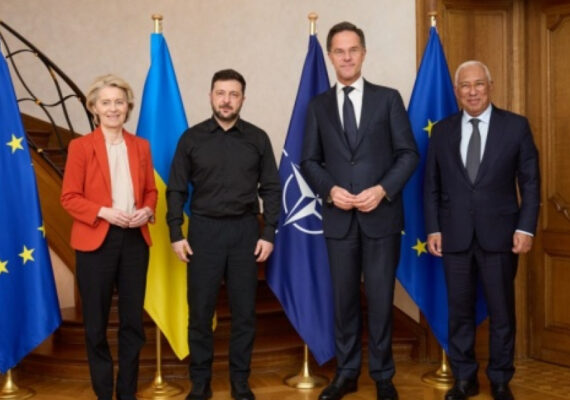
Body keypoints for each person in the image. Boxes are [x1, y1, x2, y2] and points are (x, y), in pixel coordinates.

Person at [301, 22, 419, 400]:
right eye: (339, 51)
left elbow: (408, 154)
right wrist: (330, 190)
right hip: (339, 220)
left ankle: (383, 375)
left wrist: (382, 190)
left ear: (364, 54)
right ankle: (347, 373)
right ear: (330, 57)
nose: (347, 57)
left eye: (353, 50)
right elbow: (309, 160)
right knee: (345, 301)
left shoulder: (388, 99)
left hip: (381, 218)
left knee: (382, 301)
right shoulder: (318, 106)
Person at [424, 60, 540, 400]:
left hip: (501, 236)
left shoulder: (515, 126)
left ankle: (500, 379)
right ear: (456, 91)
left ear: (490, 86)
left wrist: (526, 228)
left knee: (502, 312)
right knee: (459, 312)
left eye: (478, 84)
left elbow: (530, 183)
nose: (472, 91)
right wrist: (433, 228)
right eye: (465, 85)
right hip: (454, 236)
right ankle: (465, 379)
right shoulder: (442, 131)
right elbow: (431, 185)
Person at [166, 69, 281, 400]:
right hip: (203, 232)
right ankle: (200, 383)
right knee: (200, 313)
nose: (226, 100)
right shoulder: (191, 139)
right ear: (210, 96)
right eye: (220, 93)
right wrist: (175, 232)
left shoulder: (258, 138)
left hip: (246, 231)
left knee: (244, 314)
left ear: (243, 99)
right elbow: (176, 189)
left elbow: (271, 188)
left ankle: (240, 382)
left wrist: (268, 232)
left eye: (233, 94)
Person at [61, 74, 158, 400]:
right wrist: (103, 211)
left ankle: (127, 392)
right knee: (95, 324)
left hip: (134, 241)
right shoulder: (80, 147)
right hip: (95, 242)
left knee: (132, 323)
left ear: (128, 107)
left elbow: (150, 191)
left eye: (119, 102)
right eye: (106, 102)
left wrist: (147, 210)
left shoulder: (141, 146)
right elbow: (69, 197)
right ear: (94, 107)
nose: (113, 108)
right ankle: (104, 393)